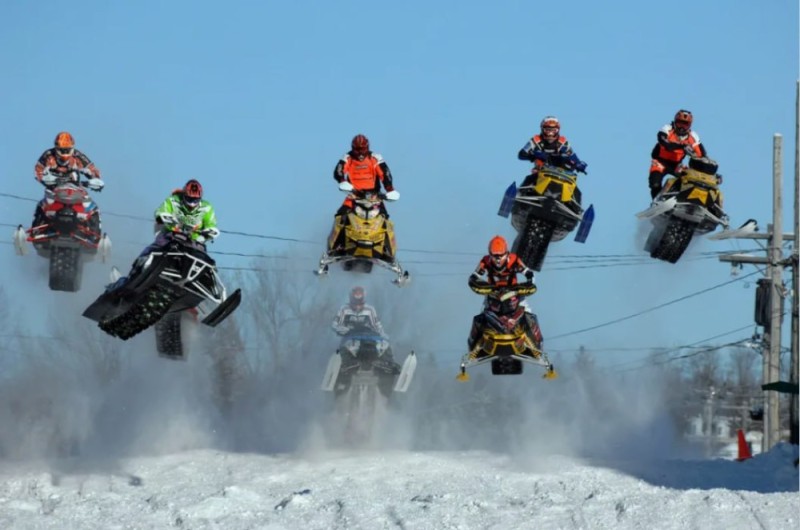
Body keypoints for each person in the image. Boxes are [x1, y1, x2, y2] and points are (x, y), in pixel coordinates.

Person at [108, 179, 219, 291]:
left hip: (194, 242)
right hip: (173, 235)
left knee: (206, 260)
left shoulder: (207, 207)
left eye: (195, 200)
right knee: (153, 249)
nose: (192, 204)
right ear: (184, 195)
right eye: (189, 199)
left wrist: (208, 232)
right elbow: (160, 212)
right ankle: (134, 273)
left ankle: (207, 285)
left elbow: (211, 224)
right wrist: (165, 217)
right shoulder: (173, 200)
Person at [467, 235, 543, 355]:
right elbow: (474, 276)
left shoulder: (514, 259)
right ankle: (475, 348)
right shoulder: (485, 261)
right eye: (494, 255)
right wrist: (475, 283)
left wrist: (528, 284)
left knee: (528, 314)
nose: (497, 259)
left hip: (514, 294)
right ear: (490, 254)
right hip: (493, 295)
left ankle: (537, 346)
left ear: (506, 253)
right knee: (481, 317)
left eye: (500, 255)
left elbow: (528, 273)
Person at [327, 134, 400, 255]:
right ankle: (336, 247)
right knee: (340, 216)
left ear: (367, 147)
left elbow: (385, 173)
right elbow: (338, 170)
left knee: (385, 219)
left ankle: (388, 251)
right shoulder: (348, 158)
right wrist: (342, 181)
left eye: (362, 149)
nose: (360, 153)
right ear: (353, 148)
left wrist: (390, 189)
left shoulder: (375, 158)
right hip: (354, 196)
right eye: (357, 150)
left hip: (374, 198)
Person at [32, 131, 104, 226]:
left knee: (93, 207)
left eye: (67, 150)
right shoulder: (48, 155)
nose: (64, 153)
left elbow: (93, 170)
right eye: (62, 150)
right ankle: (37, 227)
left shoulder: (78, 156)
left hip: (76, 189)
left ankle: (95, 233)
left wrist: (94, 180)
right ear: (57, 148)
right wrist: (45, 178)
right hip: (54, 189)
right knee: (42, 205)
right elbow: (38, 170)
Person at [648, 109, 707, 199]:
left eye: (685, 124)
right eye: (680, 123)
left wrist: (702, 161)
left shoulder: (693, 136)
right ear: (675, 122)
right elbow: (665, 143)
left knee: (691, 179)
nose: (682, 127)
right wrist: (682, 146)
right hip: (660, 162)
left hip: (676, 165)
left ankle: (685, 200)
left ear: (689, 125)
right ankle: (656, 202)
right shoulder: (667, 129)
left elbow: (701, 154)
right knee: (655, 184)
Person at [517, 116, 587, 186]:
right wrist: (534, 155)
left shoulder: (563, 142)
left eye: (553, 130)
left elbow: (572, 155)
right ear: (542, 129)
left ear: (558, 130)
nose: (550, 133)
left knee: (566, 158)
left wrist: (579, 164)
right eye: (548, 130)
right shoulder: (535, 140)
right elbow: (521, 154)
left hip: (561, 173)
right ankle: (521, 191)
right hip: (542, 170)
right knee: (533, 173)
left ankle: (573, 194)